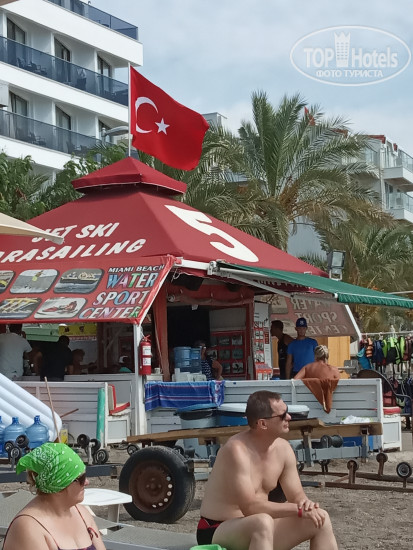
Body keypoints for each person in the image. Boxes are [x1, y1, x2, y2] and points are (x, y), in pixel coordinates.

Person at [197, 390, 338, 550]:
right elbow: (250, 508)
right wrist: (298, 510)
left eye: (287, 412)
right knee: (261, 522)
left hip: (260, 528)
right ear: (263, 424)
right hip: (216, 528)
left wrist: (307, 506)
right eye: (282, 415)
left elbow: (296, 496)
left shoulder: (284, 449)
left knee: (320, 518)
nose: (289, 417)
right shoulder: (236, 450)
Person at [3, 442, 106, 550]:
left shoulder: (82, 513)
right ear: (58, 485)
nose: (87, 482)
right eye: (81, 478)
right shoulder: (29, 527)